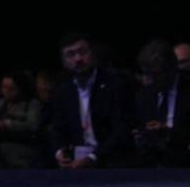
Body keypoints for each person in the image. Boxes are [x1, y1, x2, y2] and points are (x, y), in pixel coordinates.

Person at [50, 31, 133, 169]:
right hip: (76, 163)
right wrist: (59, 153)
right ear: (64, 62)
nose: (78, 58)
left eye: (83, 52)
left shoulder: (115, 85)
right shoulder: (62, 91)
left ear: (93, 53)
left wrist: (92, 157)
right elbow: (57, 131)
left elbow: (121, 131)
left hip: (111, 161)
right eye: (71, 54)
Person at [133, 38, 190, 168]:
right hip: (152, 169)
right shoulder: (143, 96)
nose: (151, 81)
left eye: (157, 74)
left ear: (172, 68)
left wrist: (169, 133)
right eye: (148, 74)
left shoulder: (187, 92)